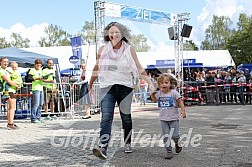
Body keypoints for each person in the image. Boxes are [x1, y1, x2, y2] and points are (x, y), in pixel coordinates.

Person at [89, 22, 155, 160]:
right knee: (106, 117)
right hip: (107, 87)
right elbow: (97, 67)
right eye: (111, 32)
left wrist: (150, 83)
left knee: (126, 116)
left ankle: (128, 142)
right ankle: (103, 148)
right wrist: (90, 84)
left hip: (125, 88)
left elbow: (139, 68)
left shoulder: (129, 50)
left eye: (116, 32)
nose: (113, 35)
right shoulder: (102, 49)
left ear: (122, 34)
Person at [150, 73, 186, 159]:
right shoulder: (159, 93)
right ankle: (169, 151)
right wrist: (151, 94)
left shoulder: (174, 93)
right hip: (163, 119)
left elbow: (180, 102)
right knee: (166, 136)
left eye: (166, 82)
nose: (164, 84)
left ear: (170, 83)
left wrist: (183, 111)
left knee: (175, 135)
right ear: (159, 85)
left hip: (173, 118)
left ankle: (178, 143)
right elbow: (155, 100)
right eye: (162, 83)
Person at [0, 57, 21, 129]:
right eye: (4, 62)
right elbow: (8, 81)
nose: (6, 63)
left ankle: (10, 122)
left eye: (7, 62)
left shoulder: (7, 71)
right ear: (1, 62)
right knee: (12, 107)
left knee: (12, 107)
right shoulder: (1, 71)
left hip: (11, 90)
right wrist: (17, 86)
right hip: (7, 91)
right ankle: (10, 123)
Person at [29, 59, 44, 123]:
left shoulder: (41, 70)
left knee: (41, 104)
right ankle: (33, 118)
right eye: (37, 63)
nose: (38, 64)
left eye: (39, 63)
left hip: (41, 88)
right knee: (36, 104)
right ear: (35, 64)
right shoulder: (32, 70)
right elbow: (28, 78)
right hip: (35, 88)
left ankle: (38, 117)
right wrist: (37, 78)